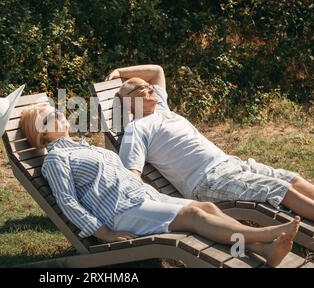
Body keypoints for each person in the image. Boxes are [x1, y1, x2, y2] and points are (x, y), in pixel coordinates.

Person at [20, 103, 300, 267]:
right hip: (121, 213)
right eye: (48, 117)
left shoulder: (85, 147)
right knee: (195, 216)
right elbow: (68, 202)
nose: (58, 115)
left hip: (142, 197)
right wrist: (103, 233)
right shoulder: (56, 160)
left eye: (56, 110)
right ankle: (266, 233)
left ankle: (263, 251)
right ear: (40, 132)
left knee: (206, 207)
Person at [108, 65, 314, 221]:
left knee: (290, 178)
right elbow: (131, 174)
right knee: (279, 188)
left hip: (231, 164)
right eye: (141, 88)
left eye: (147, 85)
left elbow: (157, 71)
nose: (149, 87)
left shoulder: (161, 108)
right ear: (130, 102)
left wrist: (119, 71)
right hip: (208, 182)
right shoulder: (137, 129)